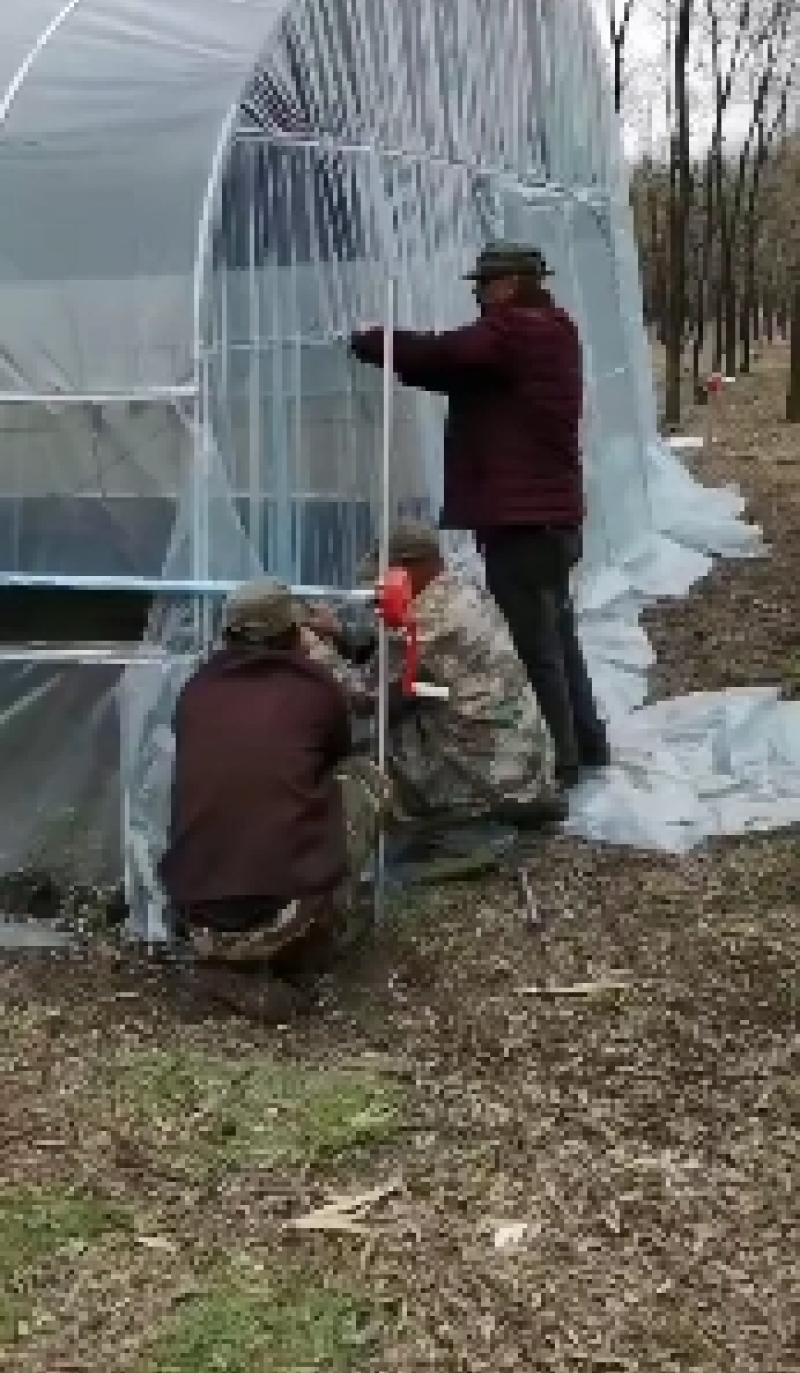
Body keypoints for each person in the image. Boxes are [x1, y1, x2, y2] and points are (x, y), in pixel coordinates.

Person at [349, 247, 609, 788]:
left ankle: (555, 764)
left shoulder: (514, 331)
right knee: (558, 635)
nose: (478, 293)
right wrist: (399, 359)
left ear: (511, 284)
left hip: (524, 526)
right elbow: (456, 372)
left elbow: (445, 354)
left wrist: (372, 342)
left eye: (485, 283)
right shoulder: (553, 330)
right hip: (552, 519)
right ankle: (587, 743)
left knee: (534, 646)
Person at [159, 579, 384, 1015]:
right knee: (363, 778)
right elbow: (340, 749)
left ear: (226, 635)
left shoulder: (196, 691)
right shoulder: (317, 688)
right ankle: (318, 935)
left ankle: (222, 961)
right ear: (296, 633)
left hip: (193, 912)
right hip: (285, 912)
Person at [304, 518, 565, 832]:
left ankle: (461, 819)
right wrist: (342, 635)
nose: (379, 587)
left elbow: (365, 697)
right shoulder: (462, 589)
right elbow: (412, 669)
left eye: (384, 576)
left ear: (411, 567)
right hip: (521, 761)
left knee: (355, 775)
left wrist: (314, 648)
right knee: (404, 709)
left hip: (491, 779)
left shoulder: (427, 621)